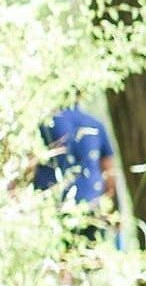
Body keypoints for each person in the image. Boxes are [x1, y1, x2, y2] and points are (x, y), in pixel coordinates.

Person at [34, 98, 118, 247]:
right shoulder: (95, 124)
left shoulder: (45, 123)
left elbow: (31, 162)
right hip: (92, 206)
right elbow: (109, 173)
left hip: (53, 206)